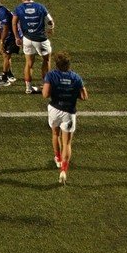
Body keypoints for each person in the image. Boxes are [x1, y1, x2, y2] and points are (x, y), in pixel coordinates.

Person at [43, 52, 88, 183]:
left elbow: (45, 94)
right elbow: (84, 96)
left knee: (55, 134)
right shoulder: (76, 77)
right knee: (67, 142)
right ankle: (63, 170)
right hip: (69, 112)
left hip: (54, 109)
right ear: (69, 64)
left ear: (57, 64)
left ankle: (57, 157)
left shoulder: (51, 75)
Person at [15, 0, 55, 94]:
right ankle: (46, 86)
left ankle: (28, 88)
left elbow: (14, 23)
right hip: (41, 39)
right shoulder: (40, 7)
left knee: (29, 63)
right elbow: (50, 21)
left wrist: (17, 37)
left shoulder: (19, 8)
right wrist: (50, 29)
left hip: (27, 39)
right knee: (46, 61)